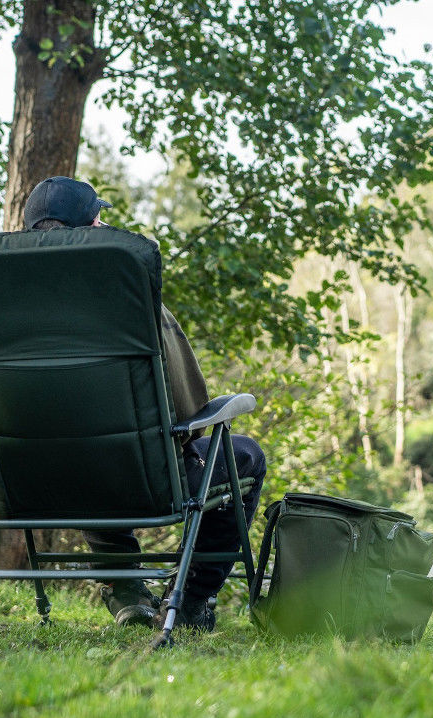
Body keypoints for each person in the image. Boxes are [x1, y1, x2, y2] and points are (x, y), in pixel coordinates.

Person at [22, 176, 267, 633]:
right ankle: (190, 601)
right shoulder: (131, 300)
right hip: (136, 478)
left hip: (23, 488)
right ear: (88, 230)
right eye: (99, 218)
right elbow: (188, 413)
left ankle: (128, 591)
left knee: (81, 454)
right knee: (244, 457)